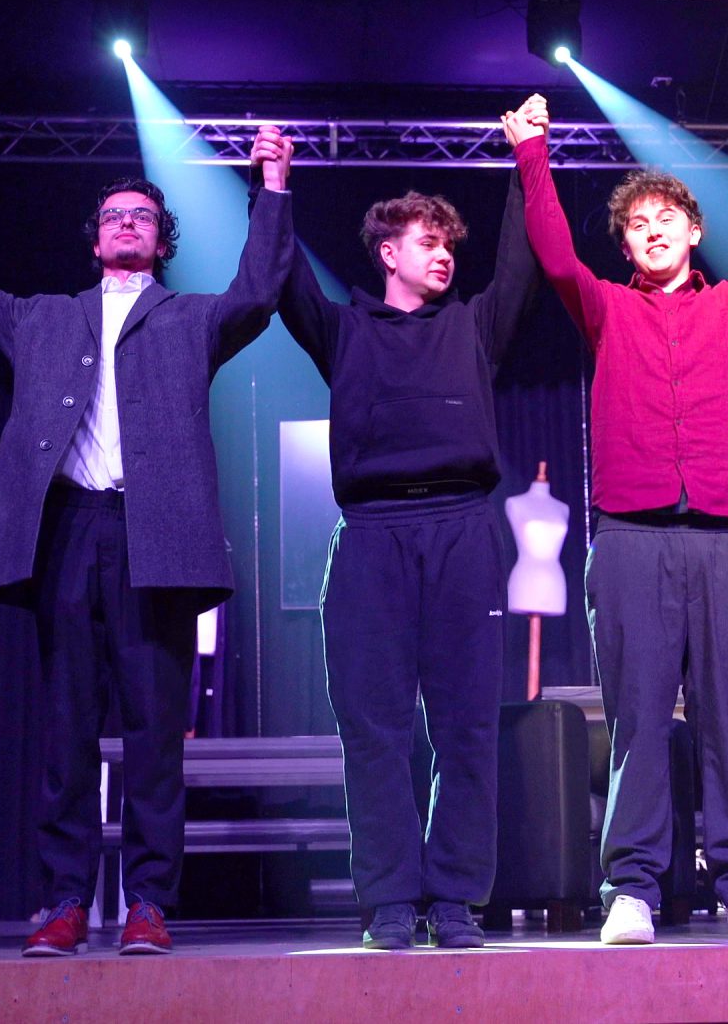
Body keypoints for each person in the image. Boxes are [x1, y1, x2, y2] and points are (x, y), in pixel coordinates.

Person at [0, 129, 297, 959]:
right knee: (66, 729)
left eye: (143, 216)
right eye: (113, 216)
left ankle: (148, 903)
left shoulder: (191, 317)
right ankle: (64, 898)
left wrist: (272, 182)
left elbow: (261, 288)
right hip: (69, 528)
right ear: (94, 240)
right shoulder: (42, 317)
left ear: (162, 242)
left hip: (153, 534)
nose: (127, 222)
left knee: (155, 730)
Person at [511, 90, 728, 946]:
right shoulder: (606, 307)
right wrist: (533, 153)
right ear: (625, 246)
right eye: (636, 224)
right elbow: (553, 256)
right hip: (630, 537)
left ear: (695, 232)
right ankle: (633, 886)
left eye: (667, 219)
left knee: (726, 718)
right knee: (639, 719)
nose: (652, 230)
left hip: (724, 536)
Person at [275, 123, 544, 950]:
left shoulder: (473, 327)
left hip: (462, 531)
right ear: (387, 253)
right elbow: (283, 282)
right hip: (372, 536)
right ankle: (390, 900)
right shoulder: (343, 331)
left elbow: (520, 267)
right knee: (375, 728)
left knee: (466, 725)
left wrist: (526, 162)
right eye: (429, 242)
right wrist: (274, 186)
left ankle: (456, 898)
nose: (445, 256)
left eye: (450, 245)